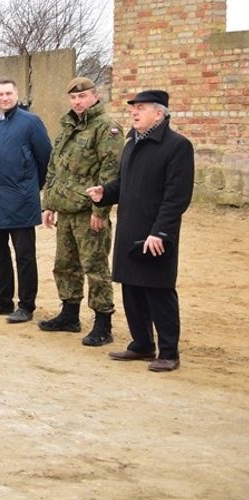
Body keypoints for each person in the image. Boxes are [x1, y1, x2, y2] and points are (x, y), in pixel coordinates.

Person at [88, 90, 194, 373]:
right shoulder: (132, 143)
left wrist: (160, 232)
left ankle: (169, 352)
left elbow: (177, 197)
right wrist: (104, 193)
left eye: (141, 108)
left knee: (158, 291)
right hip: (129, 228)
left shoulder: (177, 147)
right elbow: (123, 184)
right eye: (133, 108)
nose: (134, 112)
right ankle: (142, 344)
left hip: (156, 234)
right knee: (132, 289)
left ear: (159, 113)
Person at [39, 77, 124, 346]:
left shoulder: (106, 127)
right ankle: (69, 315)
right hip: (65, 209)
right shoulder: (67, 128)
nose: (77, 102)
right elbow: (55, 168)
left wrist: (100, 210)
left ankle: (103, 323)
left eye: (83, 97)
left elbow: (111, 172)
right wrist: (49, 204)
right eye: (74, 98)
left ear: (95, 96)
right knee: (65, 265)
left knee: (95, 266)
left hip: (89, 211)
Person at [0, 78, 51, 323]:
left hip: (21, 201)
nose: (4, 98)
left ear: (17, 94)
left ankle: (26, 305)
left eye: (8, 93)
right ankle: (3, 300)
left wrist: (29, 187)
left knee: (24, 255)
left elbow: (46, 158)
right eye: (0, 94)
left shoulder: (31, 122)